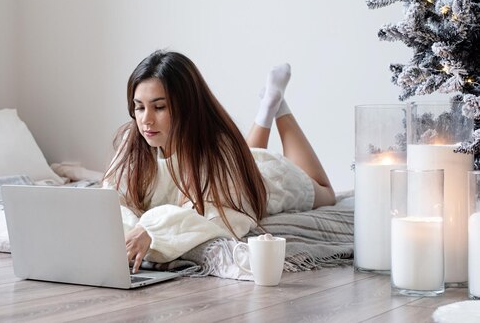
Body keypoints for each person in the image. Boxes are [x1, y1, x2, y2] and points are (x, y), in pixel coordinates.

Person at [103, 50, 335, 273]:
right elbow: (112, 200)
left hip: (263, 181)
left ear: (186, 106)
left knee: (326, 192)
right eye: (139, 107)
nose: (146, 120)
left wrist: (151, 229)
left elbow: (214, 217)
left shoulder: (218, 149)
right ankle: (267, 106)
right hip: (237, 166)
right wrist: (133, 231)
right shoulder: (132, 142)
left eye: (159, 107)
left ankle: (276, 105)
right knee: (245, 155)